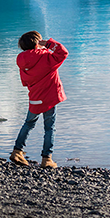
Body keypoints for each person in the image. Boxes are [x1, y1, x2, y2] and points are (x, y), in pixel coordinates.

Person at [10, 30, 68, 168]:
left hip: (35, 98)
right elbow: (63, 52)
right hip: (49, 98)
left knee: (29, 123)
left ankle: (17, 151)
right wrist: (48, 44)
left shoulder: (22, 61)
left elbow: (24, 82)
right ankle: (47, 158)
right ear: (38, 44)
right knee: (49, 128)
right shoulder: (46, 58)